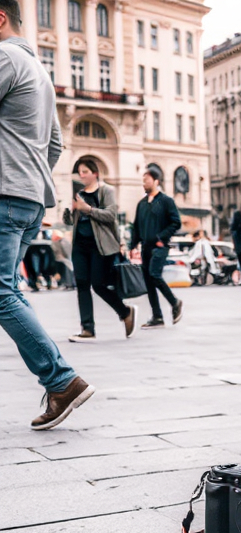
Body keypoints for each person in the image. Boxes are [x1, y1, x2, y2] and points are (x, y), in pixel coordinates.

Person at [0, 0, 95, 430]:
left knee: (2, 293)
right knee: (9, 291)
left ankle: (61, 380)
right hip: (30, 197)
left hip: (4, 193)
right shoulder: (40, 73)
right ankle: (59, 381)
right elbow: (55, 145)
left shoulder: (4, 58)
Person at [66, 158, 137, 341]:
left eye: (85, 172)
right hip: (80, 245)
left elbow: (111, 215)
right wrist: (70, 212)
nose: (81, 175)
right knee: (81, 284)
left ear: (95, 173)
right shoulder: (79, 194)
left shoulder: (106, 190)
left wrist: (88, 209)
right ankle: (87, 329)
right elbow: (71, 222)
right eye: (79, 172)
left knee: (98, 285)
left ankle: (125, 311)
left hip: (100, 246)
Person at [129, 164, 183, 329]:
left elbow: (176, 222)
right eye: (143, 181)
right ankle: (157, 316)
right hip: (145, 247)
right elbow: (136, 226)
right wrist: (133, 246)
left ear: (156, 181)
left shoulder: (166, 201)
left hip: (160, 246)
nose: (144, 183)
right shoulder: (142, 204)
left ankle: (175, 302)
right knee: (149, 281)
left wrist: (162, 237)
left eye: (147, 180)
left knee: (154, 274)